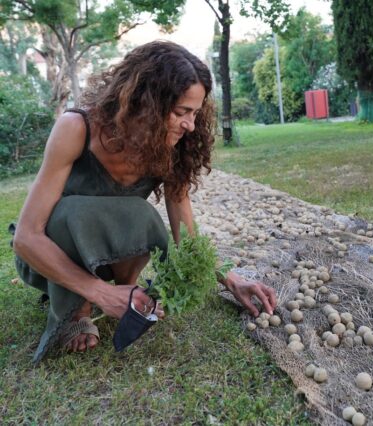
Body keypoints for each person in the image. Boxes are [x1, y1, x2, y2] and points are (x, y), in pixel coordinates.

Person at [11, 41, 276, 363]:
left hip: (111, 258)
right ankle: (78, 310)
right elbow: (27, 238)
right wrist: (99, 294)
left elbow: (184, 228)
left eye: (195, 113)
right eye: (181, 112)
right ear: (145, 103)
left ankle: (128, 291)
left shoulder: (172, 144)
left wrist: (230, 278)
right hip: (51, 257)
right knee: (72, 211)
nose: (190, 125)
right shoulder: (76, 127)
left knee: (139, 213)